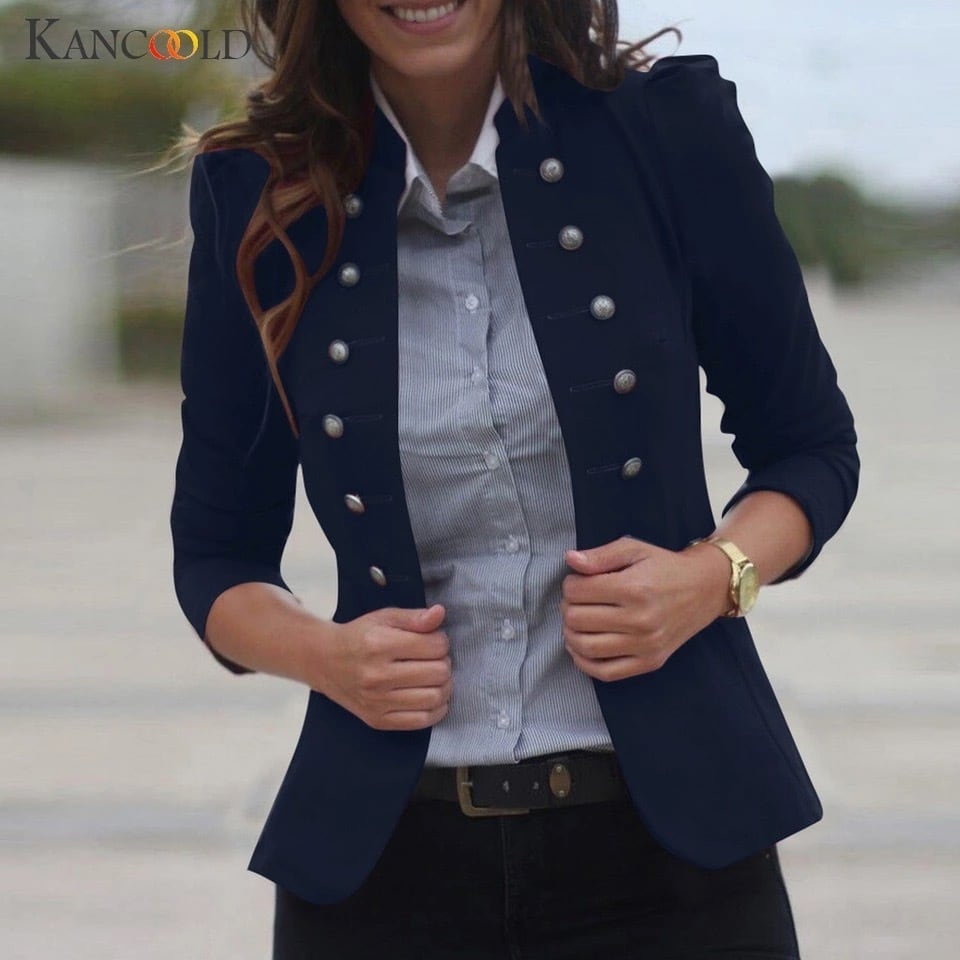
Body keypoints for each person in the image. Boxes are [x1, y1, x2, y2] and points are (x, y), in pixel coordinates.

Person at [168, 1, 860, 957]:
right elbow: (216, 557)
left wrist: (711, 579)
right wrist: (328, 658)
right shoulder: (259, 189)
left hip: (674, 865)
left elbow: (810, 447)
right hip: (384, 870)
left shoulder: (665, 132)